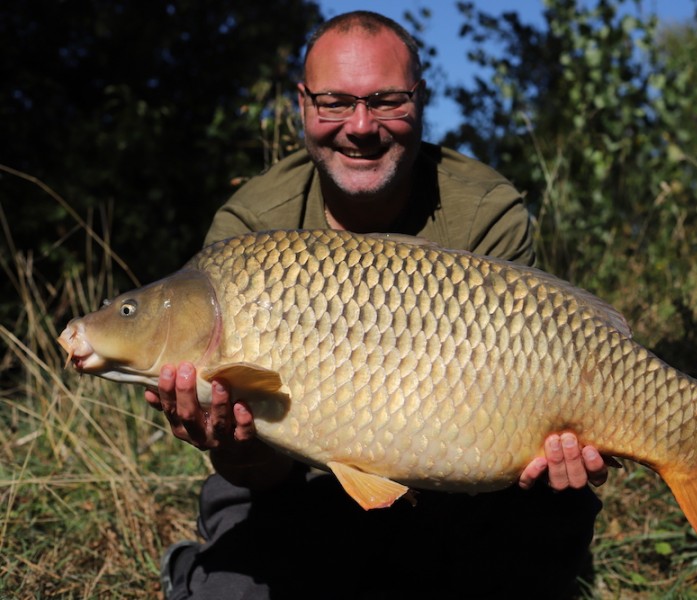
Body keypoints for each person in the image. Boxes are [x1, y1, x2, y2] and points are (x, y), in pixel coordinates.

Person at [148, 11, 609, 599]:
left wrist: (556, 451)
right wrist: (232, 446)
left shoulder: (484, 210)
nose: (360, 126)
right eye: (335, 102)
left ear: (420, 99)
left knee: (545, 514)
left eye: (387, 101)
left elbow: (519, 393)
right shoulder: (249, 230)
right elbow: (261, 474)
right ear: (303, 104)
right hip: (296, 481)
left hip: (455, 478)